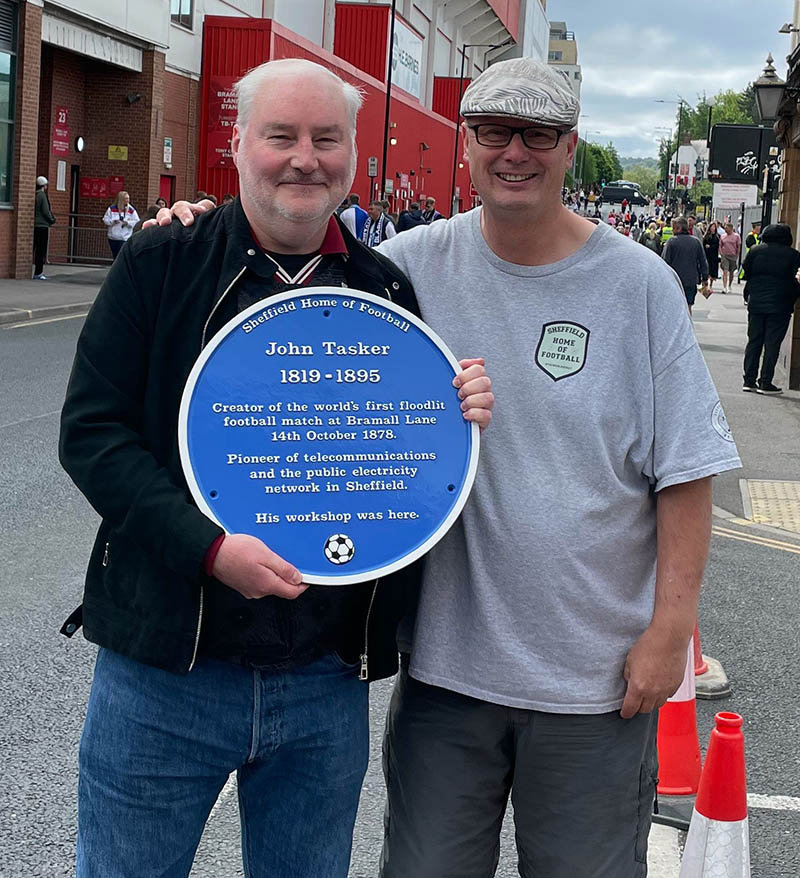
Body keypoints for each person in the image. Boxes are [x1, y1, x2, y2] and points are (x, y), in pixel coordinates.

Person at [156, 58, 742, 878]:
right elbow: (287, 309)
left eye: (538, 135)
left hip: (595, 682)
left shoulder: (638, 287)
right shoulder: (403, 268)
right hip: (445, 675)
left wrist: (671, 631)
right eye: (495, 132)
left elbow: (686, 469)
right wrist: (193, 227)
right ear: (466, 144)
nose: (515, 153)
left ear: (570, 148)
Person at [59, 57, 494, 878]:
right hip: (166, 676)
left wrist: (455, 413)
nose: (305, 158)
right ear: (237, 143)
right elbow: (92, 435)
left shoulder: (386, 293)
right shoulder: (162, 263)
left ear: (354, 154)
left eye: (327, 138)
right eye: (280, 136)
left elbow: (399, 454)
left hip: (323, 686)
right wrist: (208, 548)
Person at [740, 222, 800, 394]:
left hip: (756, 303)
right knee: (772, 344)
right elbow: (797, 279)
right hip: (780, 304)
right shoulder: (793, 255)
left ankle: (749, 380)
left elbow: (746, 270)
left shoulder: (755, 251)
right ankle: (765, 382)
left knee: (754, 341)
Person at [662, 216, 709, 315]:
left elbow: (665, 262)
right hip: (691, 279)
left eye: (674, 228)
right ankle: (688, 327)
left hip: (674, 280)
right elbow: (703, 261)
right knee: (688, 306)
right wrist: (705, 278)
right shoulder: (696, 242)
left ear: (679, 228)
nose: (673, 230)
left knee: (674, 306)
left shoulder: (671, 242)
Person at [102, 190, 139, 260]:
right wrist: (112, 222)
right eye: (126, 198)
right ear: (121, 199)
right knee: (115, 256)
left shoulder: (131, 210)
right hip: (113, 236)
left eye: (128, 198)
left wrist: (128, 223)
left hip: (124, 237)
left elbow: (137, 221)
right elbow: (105, 219)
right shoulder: (112, 209)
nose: (128, 200)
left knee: (120, 256)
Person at [33, 175, 56, 279]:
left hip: (35, 225)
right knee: (41, 250)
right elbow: (46, 211)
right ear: (44, 185)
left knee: (34, 248)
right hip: (42, 225)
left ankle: (36, 272)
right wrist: (52, 220)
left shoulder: (35, 195)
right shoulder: (42, 196)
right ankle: (38, 272)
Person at [718, 220, 741, 293]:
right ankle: (724, 287)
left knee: (731, 271)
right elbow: (720, 245)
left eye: (727, 228)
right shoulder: (723, 236)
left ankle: (729, 285)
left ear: (731, 229)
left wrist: (737, 254)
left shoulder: (736, 236)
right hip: (725, 255)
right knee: (725, 270)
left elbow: (738, 246)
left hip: (733, 255)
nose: (725, 229)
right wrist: (721, 253)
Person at [703, 221, 720, 290]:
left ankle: (711, 284)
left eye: (714, 227)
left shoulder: (717, 236)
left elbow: (718, 245)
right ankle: (705, 285)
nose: (713, 228)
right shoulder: (706, 235)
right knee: (707, 269)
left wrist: (711, 247)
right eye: (712, 227)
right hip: (707, 254)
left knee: (713, 270)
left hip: (714, 255)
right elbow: (703, 243)